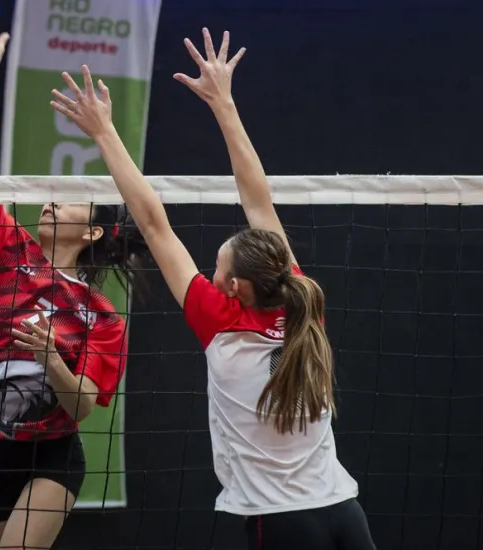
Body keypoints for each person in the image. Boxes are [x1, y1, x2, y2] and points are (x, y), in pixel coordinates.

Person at [49, 29, 376, 550]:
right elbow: (258, 200)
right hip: (344, 510)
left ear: (236, 287)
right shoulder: (303, 303)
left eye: (216, 266)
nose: (209, 270)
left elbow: (154, 224)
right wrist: (225, 103)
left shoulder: (219, 321)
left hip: (283, 521)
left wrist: (104, 133)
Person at [0, 36, 151, 550]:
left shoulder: (101, 316)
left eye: (68, 205)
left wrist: (50, 359)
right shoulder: (4, 251)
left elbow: (84, 404)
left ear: (90, 233)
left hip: (52, 453)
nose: (52, 206)